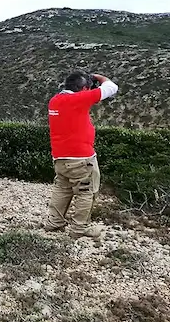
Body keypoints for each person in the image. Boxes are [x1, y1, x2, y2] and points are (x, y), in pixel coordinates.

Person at [44, 71, 118, 239]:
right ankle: (79, 229)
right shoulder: (78, 99)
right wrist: (99, 77)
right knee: (86, 192)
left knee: (62, 189)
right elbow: (112, 87)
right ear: (84, 88)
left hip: (60, 157)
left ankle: (54, 223)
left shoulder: (55, 101)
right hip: (81, 158)